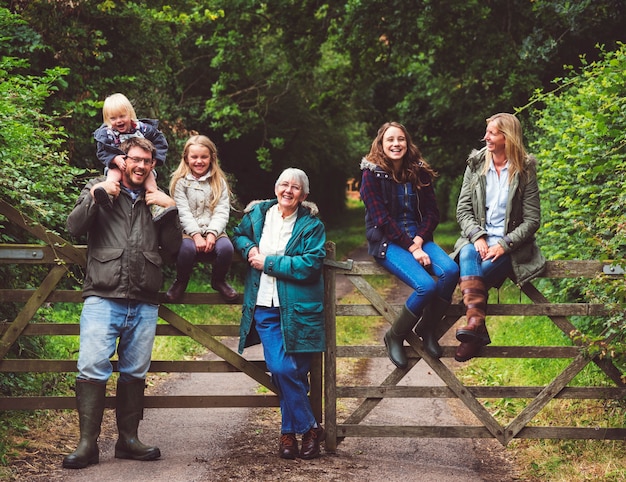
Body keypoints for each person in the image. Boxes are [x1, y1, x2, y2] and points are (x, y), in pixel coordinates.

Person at [63, 137, 182, 469]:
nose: (141, 166)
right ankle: (87, 445)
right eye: (136, 159)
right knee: (91, 367)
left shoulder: (155, 199)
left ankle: (128, 440)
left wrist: (170, 208)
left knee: (134, 371)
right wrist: (97, 196)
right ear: (123, 160)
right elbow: (73, 228)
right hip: (103, 295)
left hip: (144, 299)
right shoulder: (101, 189)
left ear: (153, 165)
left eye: (147, 161)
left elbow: (172, 249)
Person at [232, 168, 326, 460]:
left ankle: (288, 434)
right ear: (275, 187)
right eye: (284, 184)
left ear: (304, 195)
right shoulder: (258, 214)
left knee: (295, 372)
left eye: (295, 187)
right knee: (283, 369)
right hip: (265, 306)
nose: (288, 190)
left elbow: (311, 264)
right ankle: (310, 427)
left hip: (299, 310)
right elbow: (238, 235)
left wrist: (269, 263)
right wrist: (249, 250)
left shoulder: (312, 225)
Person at [360, 122, 460, 368]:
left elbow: (432, 213)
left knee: (451, 271)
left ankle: (427, 328)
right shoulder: (370, 175)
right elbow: (381, 220)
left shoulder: (420, 171)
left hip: (418, 237)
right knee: (425, 286)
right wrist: (412, 247)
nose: (396, 144)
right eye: (390, 140)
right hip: (387, 241)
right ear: (381, 145)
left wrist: (419, 239)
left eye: (401, 139)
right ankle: (395, 335)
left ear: (408, 142)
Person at [451, 113, 546, 362]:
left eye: (492, 133)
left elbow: (532, 220)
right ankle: (476, 325)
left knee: (471, 279)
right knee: (469, 252)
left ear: (508, 137)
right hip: (476, 241)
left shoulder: (525, 169)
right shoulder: (475, 165)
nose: (486, 138)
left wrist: (505, 244)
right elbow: (462, 210)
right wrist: (477, 236)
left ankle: (475, 326)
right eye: (487, 133)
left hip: (509, 248)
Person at [165, 135, 238, 303]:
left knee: (226, 249)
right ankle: (181, 281)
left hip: (214, 229)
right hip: (187, 231)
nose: (199, 161)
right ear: (186, 158)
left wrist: (212, 233)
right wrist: (196, 235)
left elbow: (221, 211)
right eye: (194, 157)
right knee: (186, 250)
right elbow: (182, 211)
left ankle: (218, 280)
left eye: (204, 157)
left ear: (212, 158)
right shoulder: (180, 182)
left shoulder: (218, 182)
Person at [92, 93, 169, 220]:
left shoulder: (142, 128)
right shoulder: (107, 134)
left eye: (122, 116)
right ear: (107, 120)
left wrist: (156, 159)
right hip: (119, 165)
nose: (119, 121)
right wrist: (113, 158)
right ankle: (108, 197)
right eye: (113, 118)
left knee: (150, 181)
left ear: (130, 114)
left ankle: (155, 205)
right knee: (112, 177)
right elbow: (102, 151)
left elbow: (160, 141)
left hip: (140, 167)